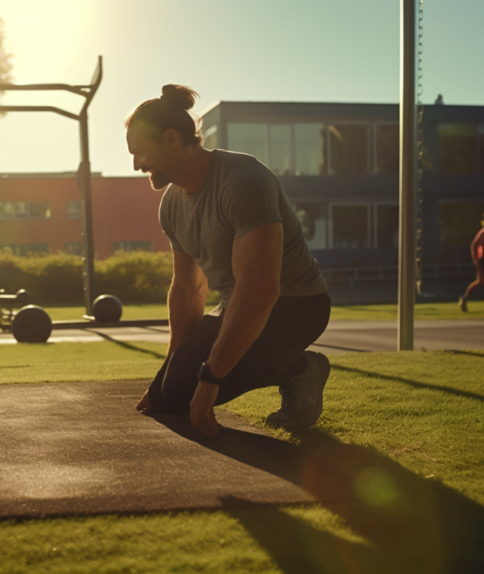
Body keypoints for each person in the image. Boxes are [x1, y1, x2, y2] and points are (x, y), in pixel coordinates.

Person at [126, 85, 332, 437]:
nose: (136, 165)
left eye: (140, 152)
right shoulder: (172, 205)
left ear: (171, 139)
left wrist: (210, 381)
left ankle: (299, 368)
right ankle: (281, 364)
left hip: (296, 304)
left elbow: (260, 289)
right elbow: (189, 289)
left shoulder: (244, 180)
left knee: (200, 385)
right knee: (171, 396)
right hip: (235, 303)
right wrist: (169, 371)